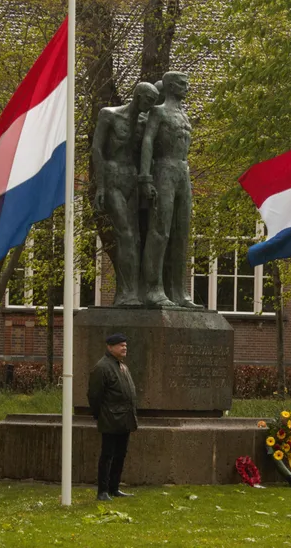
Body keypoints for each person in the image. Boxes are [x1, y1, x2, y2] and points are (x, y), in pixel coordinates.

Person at [92, 82, 160, 305]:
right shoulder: (109, 115)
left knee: (136, 237)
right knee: (125, 235)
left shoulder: (144, 122)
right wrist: (100, 186)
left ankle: (132, 292)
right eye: (149, 101)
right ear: (138, 96)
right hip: (113, 177)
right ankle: (126, 294)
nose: (151, 106)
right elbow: (97, 150)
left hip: (132, 179)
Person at [139, 71, 199, 308]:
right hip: (163, 168)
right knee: (160, 229)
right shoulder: (158, 111)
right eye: (183, 84)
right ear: (172, 86)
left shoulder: (184, 114)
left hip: (183, 172)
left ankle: (179, 292)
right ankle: (154, 289)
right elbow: (148, 141)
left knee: (182, 232)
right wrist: (145, 177)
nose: (187, 88)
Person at [87, 333, 138, 501]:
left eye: (125, 345)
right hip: (110, 419)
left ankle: (114, 488)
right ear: (110, 347)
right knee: (107, 455)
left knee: (120, 454)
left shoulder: (121, 366)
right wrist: (100, 415)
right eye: (120, 345)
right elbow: (94, 395)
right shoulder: (102, 367)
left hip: (124, 419)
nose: (124, 347)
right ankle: (103, 491)